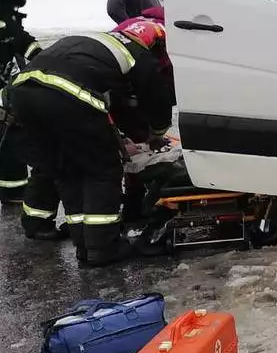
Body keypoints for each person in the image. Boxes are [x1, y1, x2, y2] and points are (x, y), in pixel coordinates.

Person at [7, 17, 172, 266]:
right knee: (101, 170)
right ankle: (103, 247)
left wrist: (135, 134)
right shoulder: (138, 54)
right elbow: (156, 98)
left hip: (22, 94)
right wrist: (157, 133)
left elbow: (120, 106)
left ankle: (83, 244)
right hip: (65, 94)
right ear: (155, 41)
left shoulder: (97, 42)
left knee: (66, 169)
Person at [0, 0, 66, 242]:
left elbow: (19, 39)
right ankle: (13, 193)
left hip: (6, 80)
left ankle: (13, 192)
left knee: (13, 134)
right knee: (13, 134)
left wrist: (42, 57)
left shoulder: (6, 5)